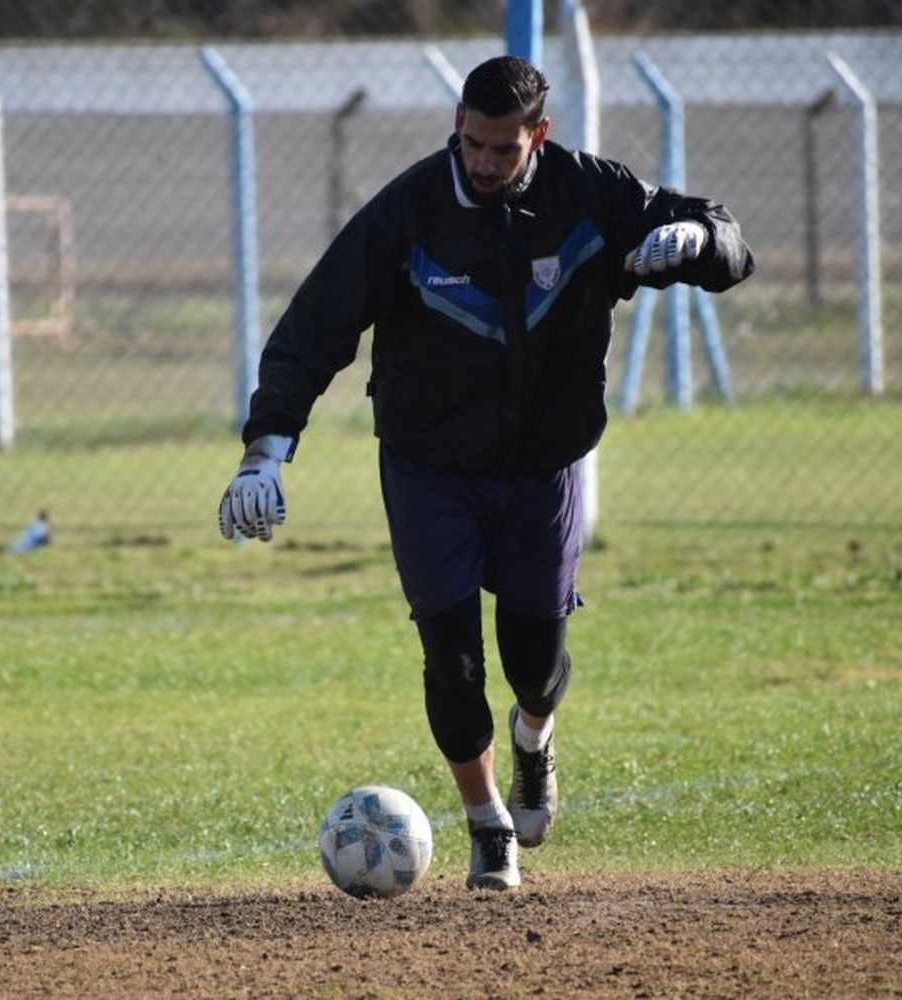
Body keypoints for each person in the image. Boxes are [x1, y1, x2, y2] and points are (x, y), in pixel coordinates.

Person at [216, 55, 754, 890]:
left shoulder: (591, 192)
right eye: (471, 144)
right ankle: (485, 820)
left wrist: (700, 241)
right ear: (457, 130)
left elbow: (725, 242)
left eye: (503, 149)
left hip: (544, 466)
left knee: (533, 660)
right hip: (431, 465)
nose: (484, 163)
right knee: (451, 657)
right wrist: (266, 451)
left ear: (537, 136)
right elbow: (315, 326)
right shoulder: (412, 210)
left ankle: (535, 738)